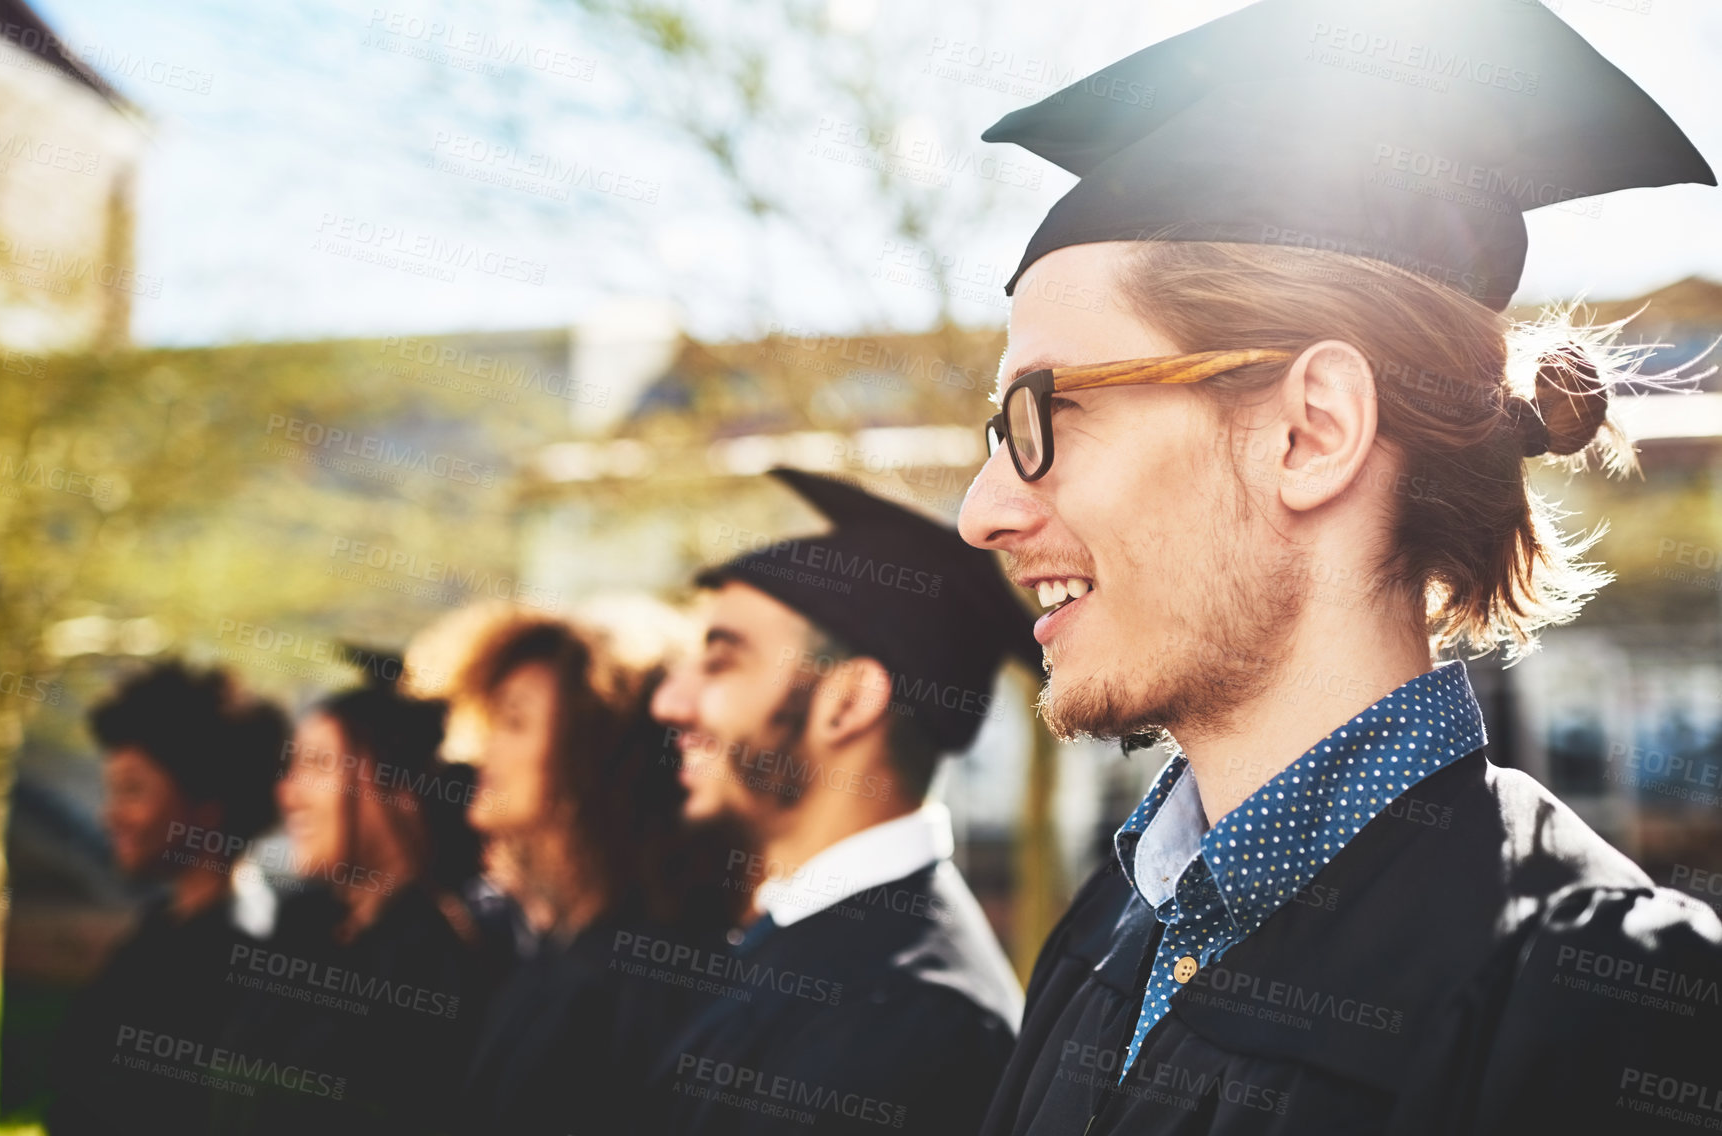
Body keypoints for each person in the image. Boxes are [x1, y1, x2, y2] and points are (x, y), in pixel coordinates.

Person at [958, 1, 1722, 1133]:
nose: (982, 510)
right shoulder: (1105, 939)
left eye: (1045, 412)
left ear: (1311, 430)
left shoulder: (1609, 1009)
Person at [640, 467, 1037, 1136]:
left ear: (848, 702)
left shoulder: (917, 1020)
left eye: (722, 661)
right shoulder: (808, 944)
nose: (669, 703)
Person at [452, 611, 745, 1135]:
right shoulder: (561, 952)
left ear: (596, 754)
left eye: (515, 722)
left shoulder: (639, 982)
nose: (482, 750)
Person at [209, 682, 492, 1136]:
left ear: (400, 787)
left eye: (319, 764)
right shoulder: (304, 923)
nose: (288, 794)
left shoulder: (433, 965)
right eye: (292, 767)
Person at [48, 661, 288, 1136]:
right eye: (111, 791)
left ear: (207, 806)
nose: (109, 816)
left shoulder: (242, 956)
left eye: (133, 791)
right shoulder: (162, 924)